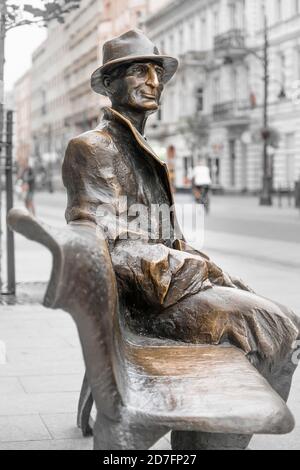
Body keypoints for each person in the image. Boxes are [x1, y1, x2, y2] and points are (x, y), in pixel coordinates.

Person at [62, 30, 300, 449]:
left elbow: (169, 237)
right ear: (111, 84)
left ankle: (203, 438)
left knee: (286, 321)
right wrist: (201, 272)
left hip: (165, 286)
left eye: (157, 72)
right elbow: (113, 246)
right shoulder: (93, 147)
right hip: (139, 304)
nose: (153, 81)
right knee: (268, 328)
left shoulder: (141, 147)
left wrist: (217, 273)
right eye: (139, 71)